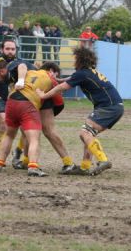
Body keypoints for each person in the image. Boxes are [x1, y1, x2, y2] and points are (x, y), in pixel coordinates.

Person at [37, 46, 123, 176]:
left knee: (85, 133)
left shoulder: (82, 74)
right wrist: (60, 79)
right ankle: (84, 167)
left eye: (75, 58)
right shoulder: (89, 72)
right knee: (89, 134)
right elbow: (71, 79)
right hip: (115, 106)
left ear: (80, 60)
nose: (74, 61)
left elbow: (61, 88)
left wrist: (44, 95)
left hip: (108, 107)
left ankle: (102, 160)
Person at [0, 61, 61, 176]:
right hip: (27, 103)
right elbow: (60, 90)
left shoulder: (31, 72)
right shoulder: (50, 78)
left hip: (12, 101)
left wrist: (21, 80)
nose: (56, 77)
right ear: (51, 71)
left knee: (9, 134)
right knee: (34, 139)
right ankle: (33, 166)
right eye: (56, 74)